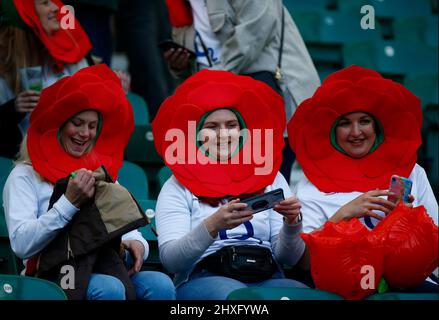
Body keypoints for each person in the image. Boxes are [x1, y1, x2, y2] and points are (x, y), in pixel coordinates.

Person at [3, 64, 175, 300]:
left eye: (92, 126)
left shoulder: (101, 171)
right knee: (109, 288)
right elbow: (22, 245)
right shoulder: (24, 175)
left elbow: (127, 229)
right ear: (59, 125)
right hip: (53, 271)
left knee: (160, 283)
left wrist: (138, 245)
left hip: (104, 264)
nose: (85, 133)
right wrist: (69, 203)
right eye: (77, 123)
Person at [152, 69, 308, 300]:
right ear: (195, 133)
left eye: (231, 125)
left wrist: (292, 223)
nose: (223, 134)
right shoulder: (177, 185)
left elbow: (288, 258)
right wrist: (212, 225)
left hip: (267, 274)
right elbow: (171, 260)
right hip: (203, 276)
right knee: (238, 299)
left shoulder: (271, 177)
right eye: (212, 126)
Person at [288, 65, 438, 291]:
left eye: (365, 121)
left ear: (377, 126)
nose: (356, 132)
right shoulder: (309, 184)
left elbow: (435, 238)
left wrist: (409, 220)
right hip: (341, 285)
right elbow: (302, 262)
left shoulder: (412, 172)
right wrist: (344, 215)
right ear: (331, 130)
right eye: (345, 123)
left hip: (408, 282)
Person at [162, 0, 321, 183]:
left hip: (269, 96)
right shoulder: (178, 4)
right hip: (219, 104)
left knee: (269, 181)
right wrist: (180, 65)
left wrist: (211, 81)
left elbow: (253, 35)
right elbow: (196, 60)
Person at [0, 0, 129, 159]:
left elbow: (97, 123)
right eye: (45, 3)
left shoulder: (75, 55)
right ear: (24, 13)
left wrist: (114, 94)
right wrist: (12, 110)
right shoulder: (4, 68)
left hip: (79, 162)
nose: (56, 8)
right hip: (26, 165)